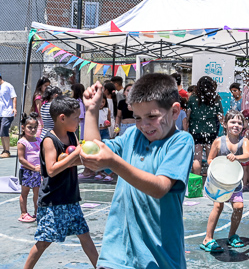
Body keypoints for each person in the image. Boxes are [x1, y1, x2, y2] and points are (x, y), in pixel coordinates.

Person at [80, 73, 194, 269]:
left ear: (175, 111)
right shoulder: (132, 135)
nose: (143, 125)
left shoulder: (180, 142)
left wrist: (115, 163)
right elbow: (94, 152)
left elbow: (160, 187)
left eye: (152, 116)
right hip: (117, 255)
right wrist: (91, 111)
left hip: (160, 258)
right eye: (138, 117)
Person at [24, 96, 98, 269]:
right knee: (43, 242)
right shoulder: (50, 140)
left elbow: (77, 159)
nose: (79, 122)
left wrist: (86, 158)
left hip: (71, 198)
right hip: (53, 201)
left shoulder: (72, 135)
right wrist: (75, 155)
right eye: (76, 118)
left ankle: (100, 266)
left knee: (85, 236)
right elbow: (51, 169)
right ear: (62, 118)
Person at [201, 110, 249, 253]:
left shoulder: (244, 141)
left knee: (239, 206)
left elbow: (247, 156)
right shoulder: (219, 141)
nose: (236, 125)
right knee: (218, 207)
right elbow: (210, 159)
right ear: (225, 124)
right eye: (233, 122)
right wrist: (219, 164)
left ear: (243, 126)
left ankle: (232, 235)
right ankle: (208, 238)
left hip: (235, 182)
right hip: (219, 183)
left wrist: (237, 157)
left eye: (239, 123)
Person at [187, 76, 224, 175]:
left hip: (196, 130)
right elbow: (220, 116)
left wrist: (186, 129)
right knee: (211, 157)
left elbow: (187, 116)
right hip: (211, 130)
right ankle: (211, 182)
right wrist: (225, 128)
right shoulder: (215, 98)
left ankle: (196, 184)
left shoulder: (192, 98)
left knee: (197, 158)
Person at [17, 112, 41, 223]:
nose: (32, 130)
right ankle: (23, 213)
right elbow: (21, 159)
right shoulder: (22, 142)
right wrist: (33, 167)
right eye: (29, 127)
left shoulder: (38, 141)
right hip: (27, 171)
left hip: (37, 172)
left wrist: (41, 166)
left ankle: (37, 212)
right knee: (25, 193)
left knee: (37, 193)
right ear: (23, 128)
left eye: (35, 127)